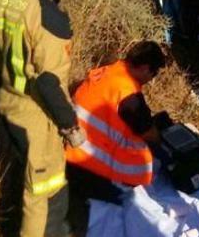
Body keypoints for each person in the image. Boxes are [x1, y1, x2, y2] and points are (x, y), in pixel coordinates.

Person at [0, 0, 85, 237]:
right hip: (37, 117)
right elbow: (48, 81)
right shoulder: (45, 12)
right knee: (43, 197)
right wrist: (70, 127)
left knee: (28, 181)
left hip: (8, 105)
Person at [65, 41, 171, 223]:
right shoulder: (128, 94)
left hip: (70, 153)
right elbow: (148, 133)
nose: (151, 79)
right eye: (153, 74)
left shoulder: (108, 71)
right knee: (151, 151)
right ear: (145, 68)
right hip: (93, 168)